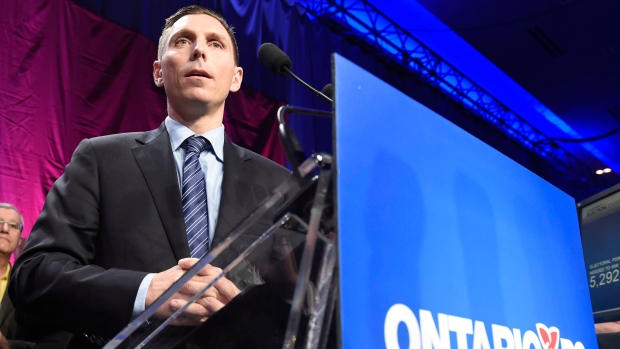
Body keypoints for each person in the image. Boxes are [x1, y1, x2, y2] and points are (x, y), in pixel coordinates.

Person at [9, 5, 291, 348]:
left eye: (216, 44)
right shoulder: (100, 158)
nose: (199, 50)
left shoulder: (279, 184)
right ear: (158, 72)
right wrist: (145, 291)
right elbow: (34, 276)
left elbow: (300, 302)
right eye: (183, 41)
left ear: (236, 78)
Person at [0, 203, 34, 349]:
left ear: (20, 240)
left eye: (13, 225)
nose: (5, 229)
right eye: (0, 222)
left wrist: (7, 346)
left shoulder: (26, 290)